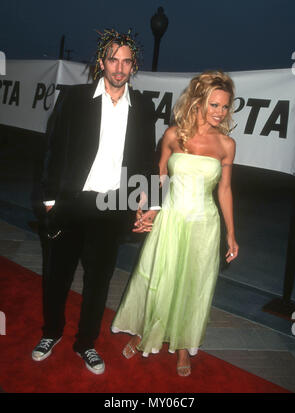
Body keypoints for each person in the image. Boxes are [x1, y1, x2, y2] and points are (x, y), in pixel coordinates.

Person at [31, 29, 159, 375]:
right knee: (57, 276)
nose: (119, 68)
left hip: (113, 208)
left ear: (134, 66)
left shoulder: (144, 106)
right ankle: (51, 332)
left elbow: (149, 160)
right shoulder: (74, 98)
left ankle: (86, 342)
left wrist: (151, 205)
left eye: (126, 61)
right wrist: (48, 199)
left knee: (98, 282)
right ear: (101, 63)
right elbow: (53, 148)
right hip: (72, 202)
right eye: (113, 60)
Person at [111, 70, 239, 377]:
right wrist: (148, 210)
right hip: (170, 219)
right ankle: (144, 333)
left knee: (193, 285)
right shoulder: (172, 135)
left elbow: (224, 188)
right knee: (159, 277)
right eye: (214, 105)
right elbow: (160, 178)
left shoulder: (226, 144)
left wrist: (232, 233)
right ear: (197, 102)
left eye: (224, 106)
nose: (220, 112)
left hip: (204, 225)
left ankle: (183, 346)